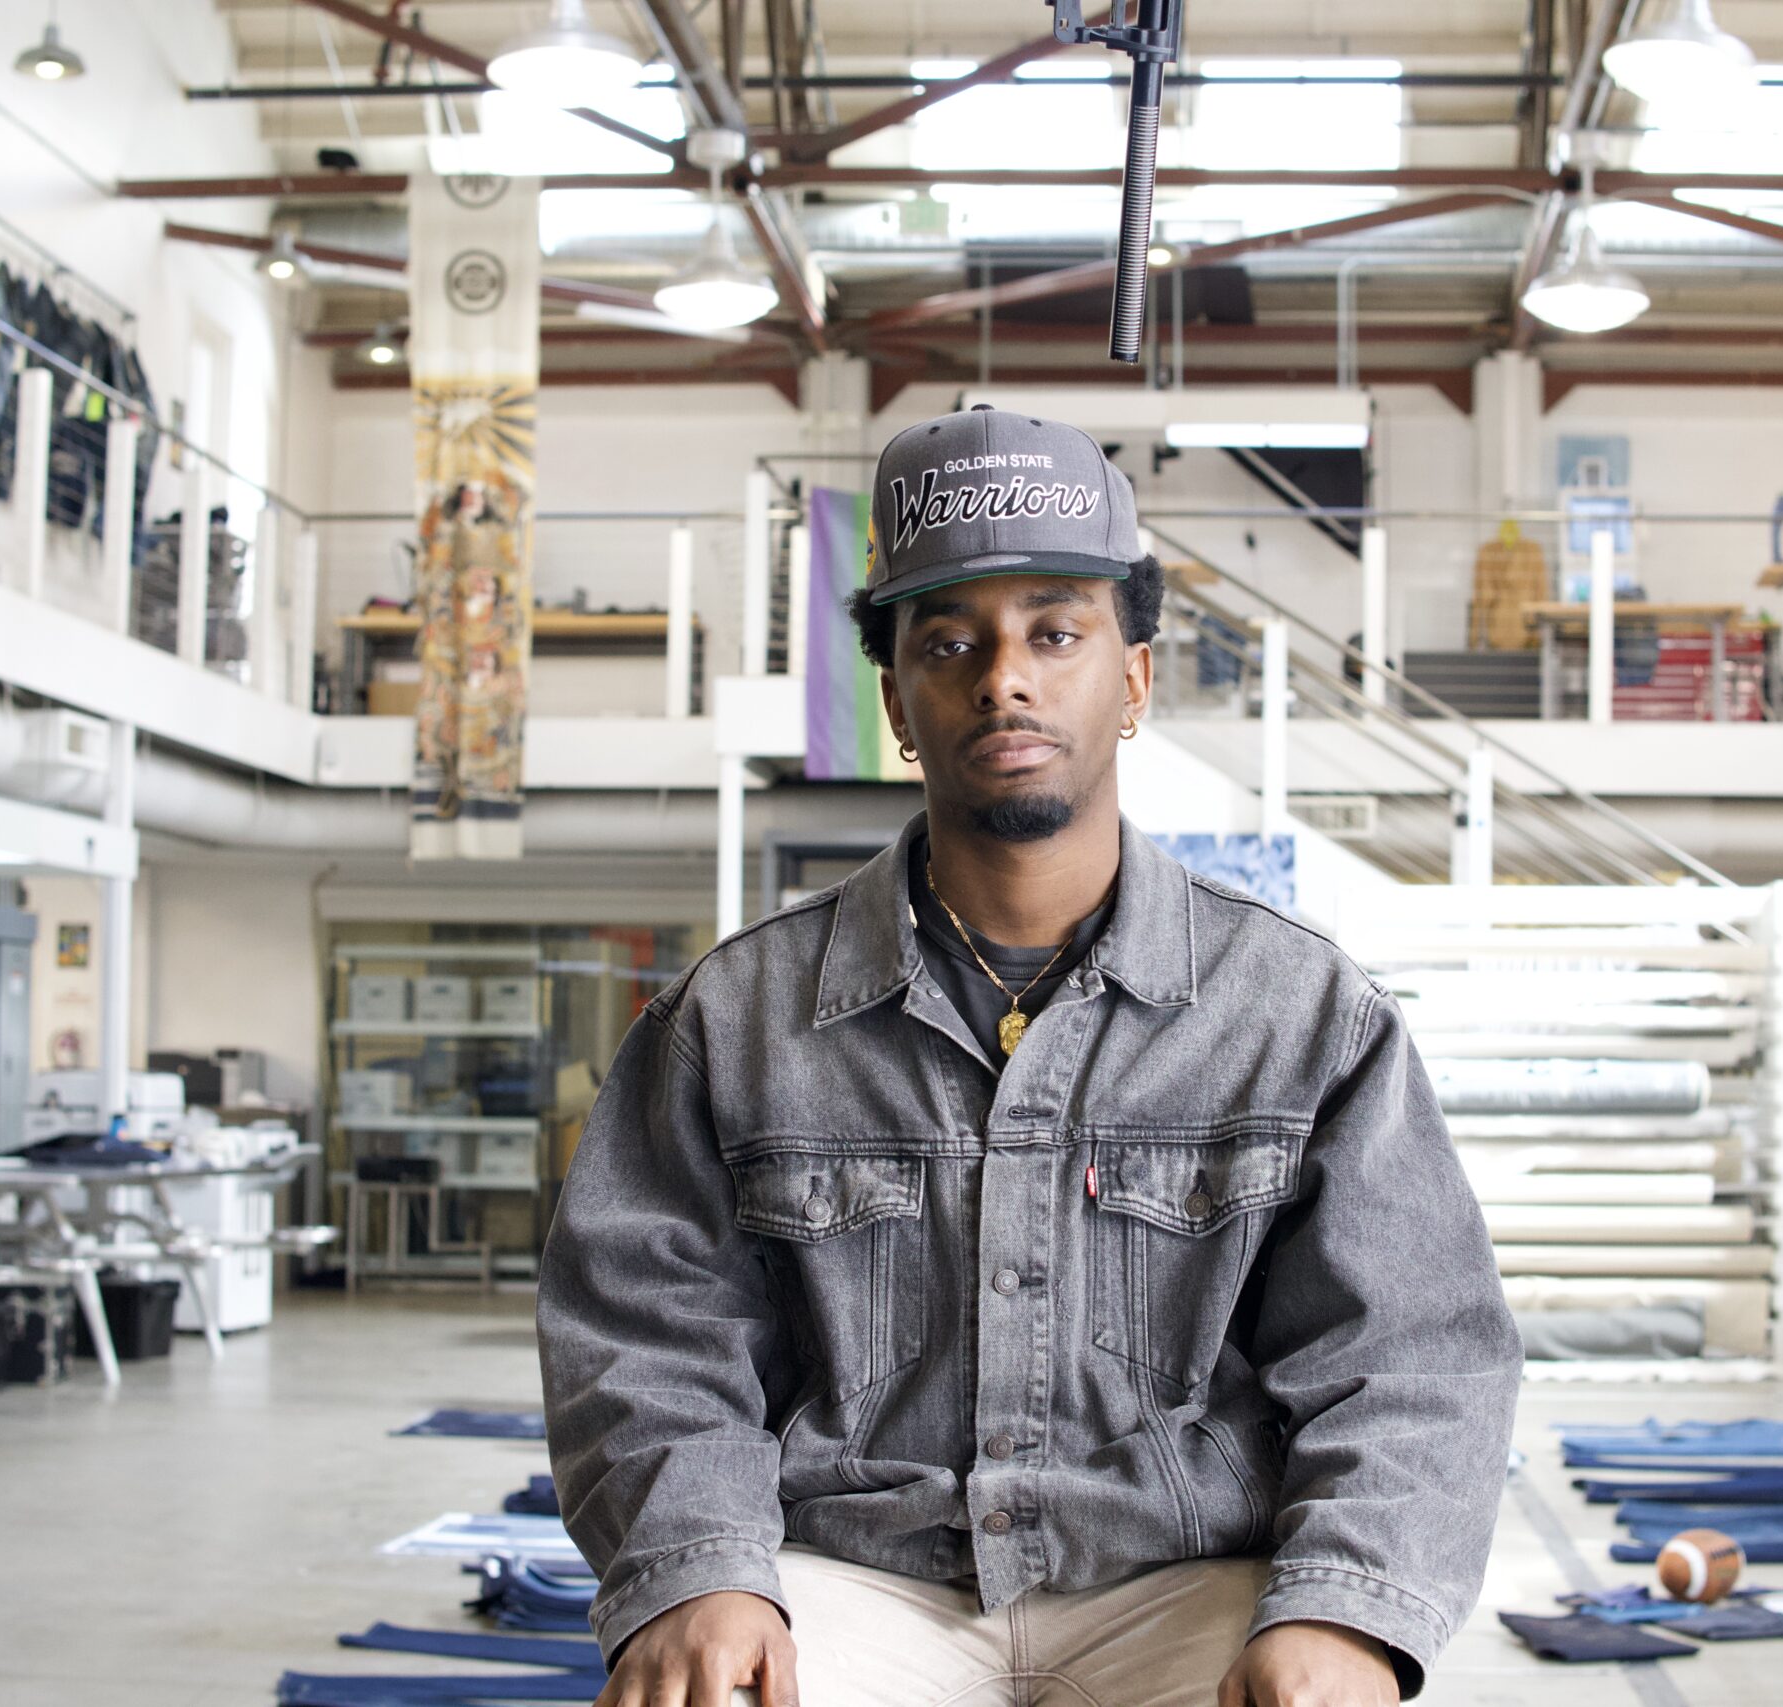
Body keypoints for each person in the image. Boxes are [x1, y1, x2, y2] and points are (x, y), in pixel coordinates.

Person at [540, 406, 1521, 1707]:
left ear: (1132, 679)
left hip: (1183, 1580)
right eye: (950, 643)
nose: (1005, 677)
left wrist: (1346, 1608)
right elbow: (646, 1338)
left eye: (1055, 633)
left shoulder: (1301, 1019)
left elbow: (1412, 1357)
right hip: (850, 1577)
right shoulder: (735, 1023)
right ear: (896, 700)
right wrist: (700, 1570)